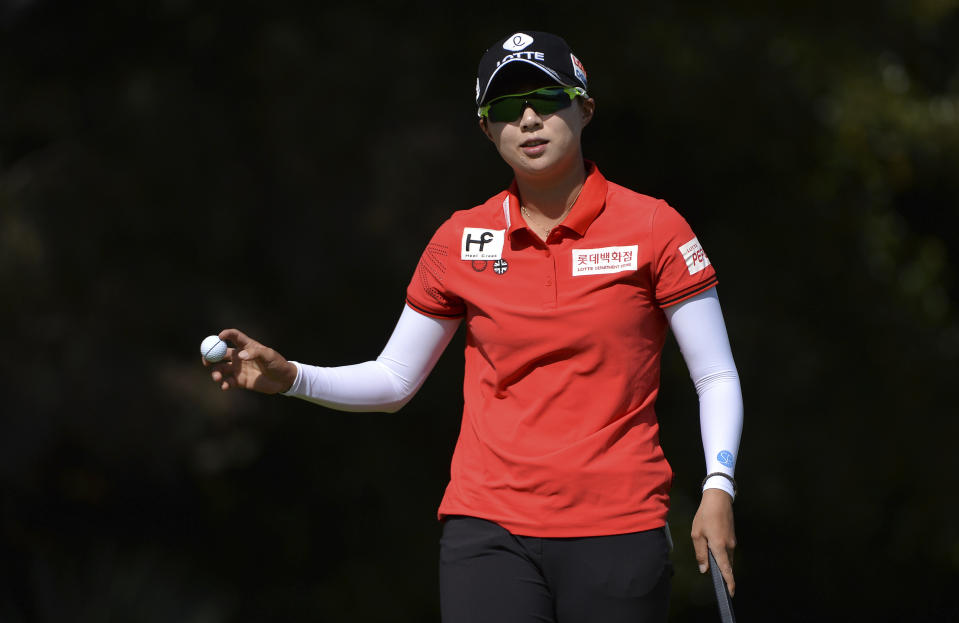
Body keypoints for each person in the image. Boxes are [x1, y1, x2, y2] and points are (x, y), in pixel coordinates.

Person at [204, 31, 743, 623]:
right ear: (487, 130)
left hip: (617, 525)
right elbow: (394, 380)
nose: (529, 120)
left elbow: (714, 373)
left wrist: (718, 484)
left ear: (584, 107)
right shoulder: (459, 239)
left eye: (545, 99)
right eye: (507, 110)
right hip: (488, 529)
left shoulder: (654, 226)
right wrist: (293, 378)